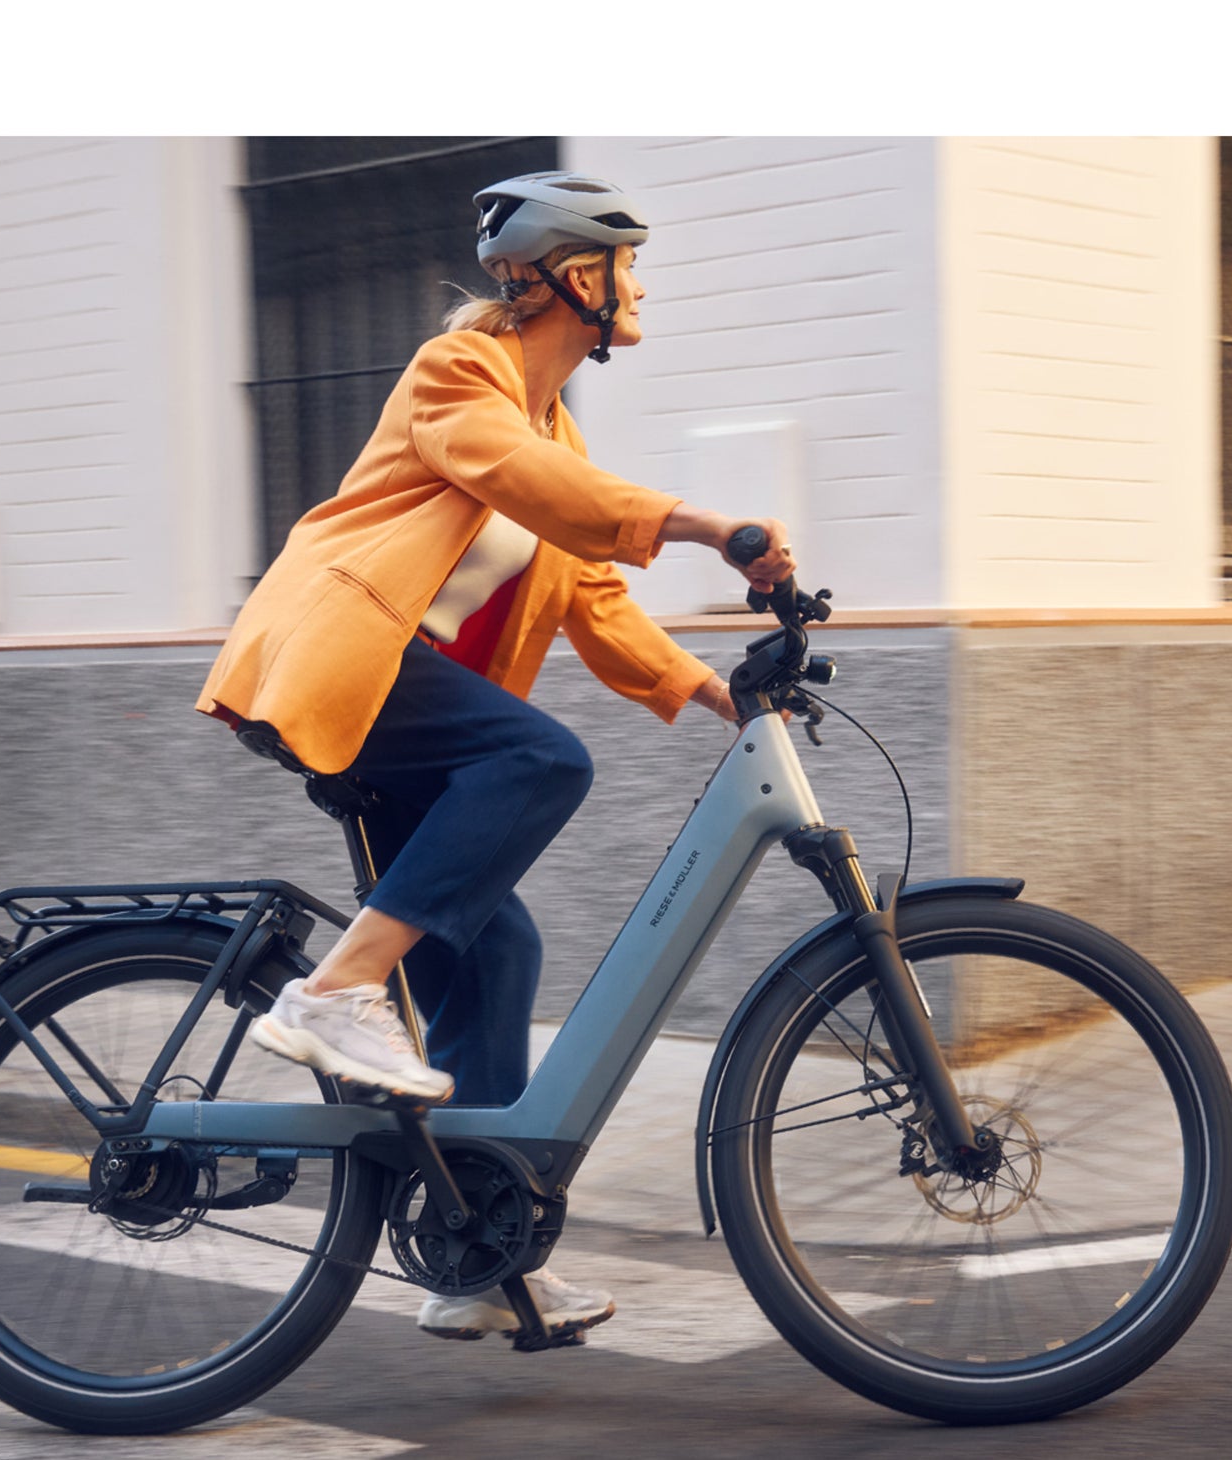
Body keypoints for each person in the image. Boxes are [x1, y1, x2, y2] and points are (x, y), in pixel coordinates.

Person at [193, 171, 794, 1343]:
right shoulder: (458, 377)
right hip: (348, 663)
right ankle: (337, 989)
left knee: (498, 939)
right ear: (577, 275)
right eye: (625, 264)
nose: (636, 285)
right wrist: (702, 523)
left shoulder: (559, 424)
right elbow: (525, 484)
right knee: (542, 760)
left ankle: (473, 1255)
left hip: (418, 707)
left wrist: (718, 693)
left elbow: (592, 599)